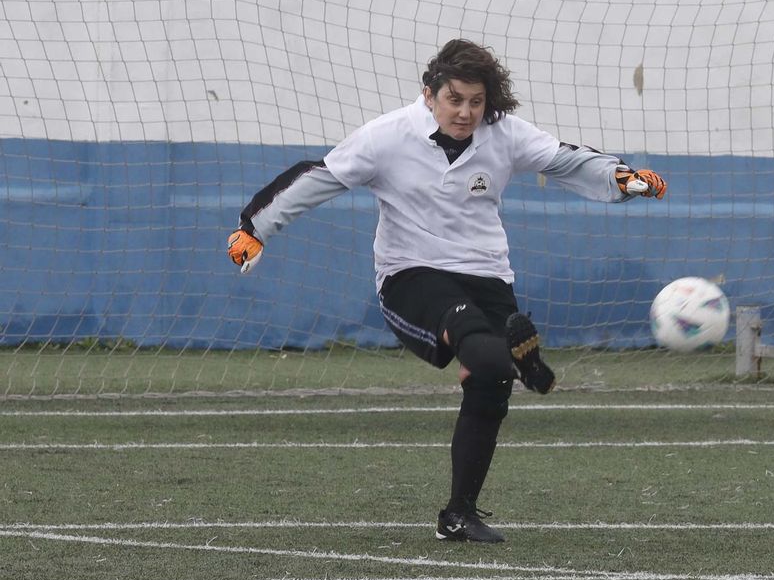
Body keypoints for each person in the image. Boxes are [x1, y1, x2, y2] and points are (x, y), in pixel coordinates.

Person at [225, 38, 666, 544]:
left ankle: (459, 514)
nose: (465, 112)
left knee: (491, 378)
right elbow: (318, 178)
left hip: (488, 275)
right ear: (430, 93)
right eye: (455, 99)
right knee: (483, 350)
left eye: (476, 102)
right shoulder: (387, 136)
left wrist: (621, 177)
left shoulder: (503, 134)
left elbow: (564, 160)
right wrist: (254, 227)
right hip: (411, 276)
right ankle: (524, 360)